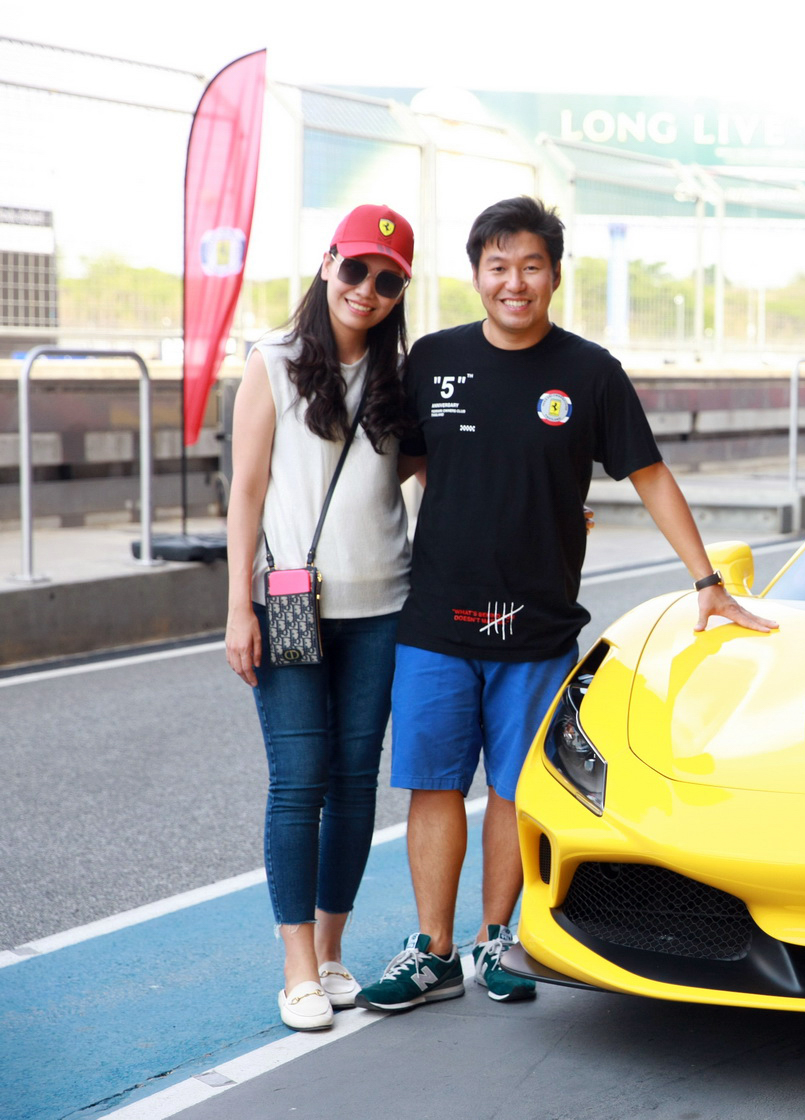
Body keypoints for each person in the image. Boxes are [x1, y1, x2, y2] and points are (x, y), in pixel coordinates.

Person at [356, 195, 775, 1012]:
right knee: (432, 786)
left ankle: (495, 942)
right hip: (436, 621)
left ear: (554, 274)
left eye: (531, 266)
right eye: (497, 266)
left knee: (517, 790)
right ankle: (433, 952)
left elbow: (649, 474)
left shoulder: (589, 373)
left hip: (539, 626)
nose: (514, 282)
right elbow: (393, 469)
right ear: (476, 273)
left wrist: (706, 581)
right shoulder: (433, 360)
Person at [225, 204, 417, 1031]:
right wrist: (240, 605)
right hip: (292, 606)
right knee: (297, 784)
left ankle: (333, 952)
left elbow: (437, 469)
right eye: (356, 270)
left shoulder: (400, 379)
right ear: (328, 264)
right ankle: (297, 965)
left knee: (353, 787)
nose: (366, 290)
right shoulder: (269, 363)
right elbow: (247, 491)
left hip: (384, 610)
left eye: (387, 280)